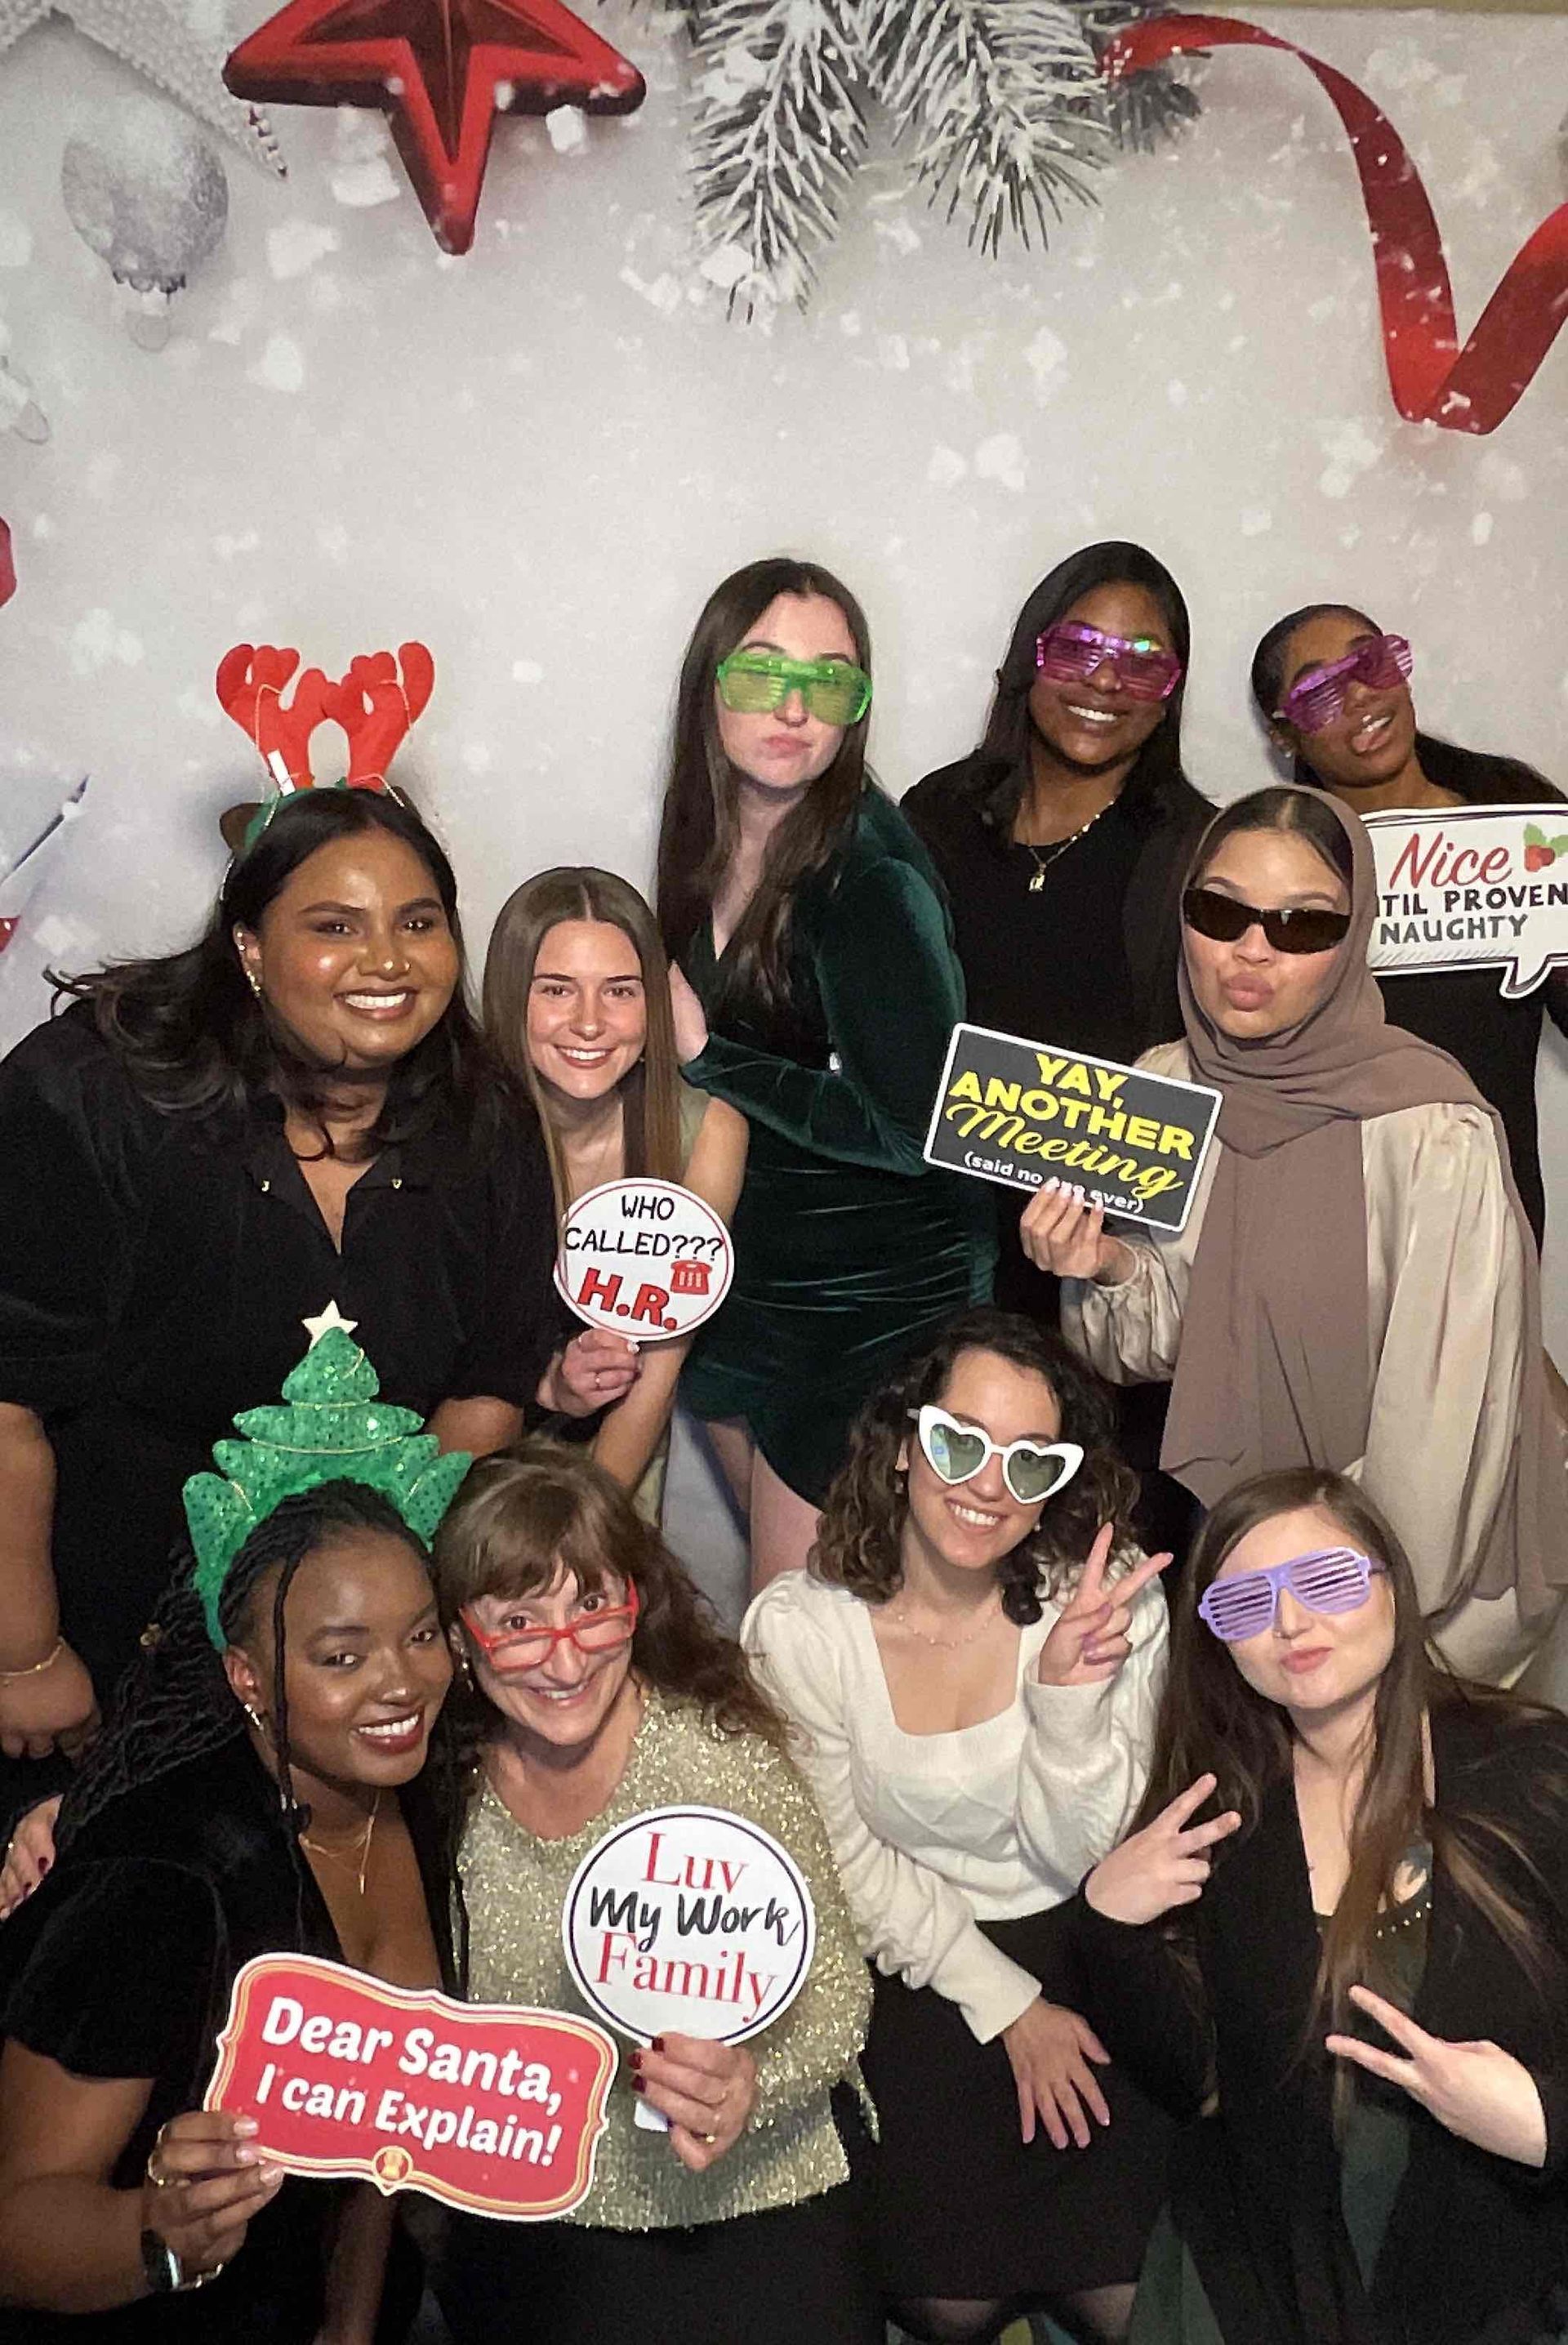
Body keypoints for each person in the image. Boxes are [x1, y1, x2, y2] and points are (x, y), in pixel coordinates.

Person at [0, 787, 596, 1808]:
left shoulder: (484, 1123)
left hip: (357, 1674)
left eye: (418, 923)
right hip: (100, 1641)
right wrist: (23, 1654)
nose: (387, 960)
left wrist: (379, 1640)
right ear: (249, 947)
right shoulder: (94, 1094)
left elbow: (484, 1397)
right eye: (335, 927)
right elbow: (8, 1404)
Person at [1025, 784, 1568, 1684]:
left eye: (1302, 925)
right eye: (1220, 912)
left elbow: (1442, 1421)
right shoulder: (1164, 1088)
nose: (1252, 950)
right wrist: (1105, 1264)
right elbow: (1155, 1346)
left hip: (1407, 1594)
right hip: (1241, 1556)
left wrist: (1350, 1600)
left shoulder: (1431, 1125)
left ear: (1352, 941)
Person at [0, 1322, 470, 2340]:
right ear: (247, 1677)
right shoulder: (161, 1882)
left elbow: (382, 2145)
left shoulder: (416, 1793)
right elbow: (17, 2227)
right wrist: (156, 2231)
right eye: (342, 1657)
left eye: (422, 1634)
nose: (402, 1683)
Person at [743, 1308, 1174, 2344]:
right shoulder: (802, 1631)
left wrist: (1066, 1700)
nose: (989, 1484)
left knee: (1134, 2293)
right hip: (919, 1955)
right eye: (958, 1443)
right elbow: (843, 1864)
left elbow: (1094, 1861)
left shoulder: (1104, 1606)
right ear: (904, 1445)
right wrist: (1009, 2004)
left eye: (1030, 1462)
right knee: (949, 2301)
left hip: (1098, 1942)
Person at [1076, 1467, 1568, 2345]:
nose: (1291, 1623)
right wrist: (1111, 1930)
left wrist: (1542, 2124)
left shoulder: (1535, 1775)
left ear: (1393, 1586)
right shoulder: (1227, 1810)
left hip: (1502, 2282)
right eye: (1245, 1604)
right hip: (1273, 2277)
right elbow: (1204, 2081)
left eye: (1326, 1580)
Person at [430, 1441, 880, 2345]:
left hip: (752, 2204)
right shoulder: (440, 1789)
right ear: (456, 1639)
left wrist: (751, 2083)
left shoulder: (723, 1764)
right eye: (519, 1621)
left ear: (637, 1602)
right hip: (536, 2224)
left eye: (592, 1606)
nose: (565, 1661)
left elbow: (839, 1993)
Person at [656, 555, 993, 1585]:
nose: (796, 709)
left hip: (873, 1309)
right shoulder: (707, 836)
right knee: (800, 1623)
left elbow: (918, 1130)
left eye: (831, 681)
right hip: (759, 1290)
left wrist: (711, 1055)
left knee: (803, 1629)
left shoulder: (868, 878)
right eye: (764, 672)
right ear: (709, 683)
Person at [902, 542, 1210, 1558]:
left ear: (1172, 692)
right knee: (940, 1562)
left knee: (1101, 1578)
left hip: (1109, 1290)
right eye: (1079, 648)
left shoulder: (1198, 850)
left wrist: (1112, 1258)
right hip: (942, 1264)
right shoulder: (935, 817)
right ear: (1030, 655)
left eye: (1143, 662)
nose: (1106, 682)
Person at [1250, 601, 1568, 1249]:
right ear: (1285, 735)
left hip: (1486, 1212)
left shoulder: (1517, 819)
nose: (1360, 694)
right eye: (1320, 690)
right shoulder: (1273, 860)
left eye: (1371, 663)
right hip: (1319, 1214)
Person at [480, 866, 747, 1517]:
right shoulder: (460, 1133)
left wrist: (578, 1532)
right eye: (557, 990)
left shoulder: (707, 1131)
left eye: (620, 991)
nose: (590, 1023)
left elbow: (658, 1373)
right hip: (465, 1466)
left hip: (610, 1485)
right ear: (512, 995)